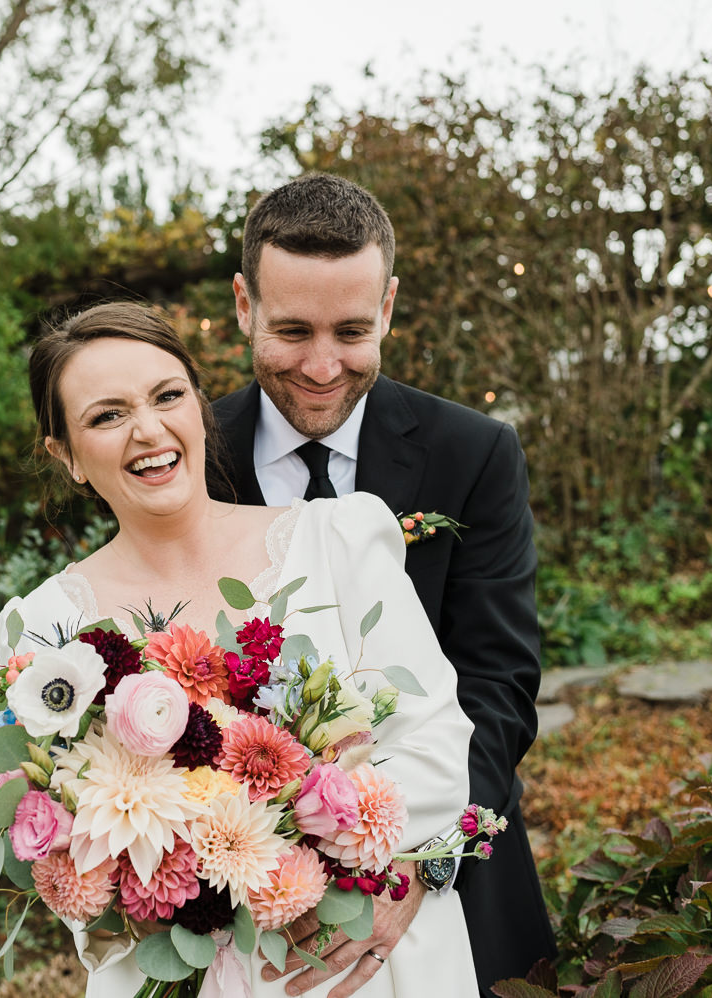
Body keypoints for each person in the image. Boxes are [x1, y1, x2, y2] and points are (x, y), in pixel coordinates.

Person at [0, 301, 478, 997]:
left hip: (362, 952)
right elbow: (68, 867)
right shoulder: (42, 631)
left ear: (198, 404)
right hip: (180, 971)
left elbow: (434, 737)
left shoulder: (336, 541)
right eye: (107, 416)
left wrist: (345, 861)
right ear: (65, 455)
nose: (149, 430)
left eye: (167, 396)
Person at [209, 173, 556, 995]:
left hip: (452, 874)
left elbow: (499, 685)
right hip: (247, 901)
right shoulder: (192, 456)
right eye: (292, 330)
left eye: (352, 331)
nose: (323, 367)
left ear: (390, 307)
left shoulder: (473, 454)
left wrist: (422, 858)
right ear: (243, 306)